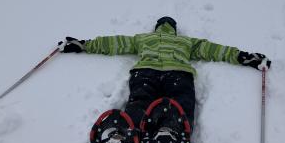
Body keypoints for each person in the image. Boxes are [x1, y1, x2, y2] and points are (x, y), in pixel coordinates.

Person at [59, 16, 271, 130]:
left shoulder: (143, 39)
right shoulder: (186, 42)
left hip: (145, 72)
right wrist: (242, 56)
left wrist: (84, 44)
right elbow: (213, 50)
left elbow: (114, 43)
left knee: (140, 102)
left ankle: (128, 134)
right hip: (178, 74)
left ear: (156, 28)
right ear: (174, 30)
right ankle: (171, 134)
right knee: (179, 103)